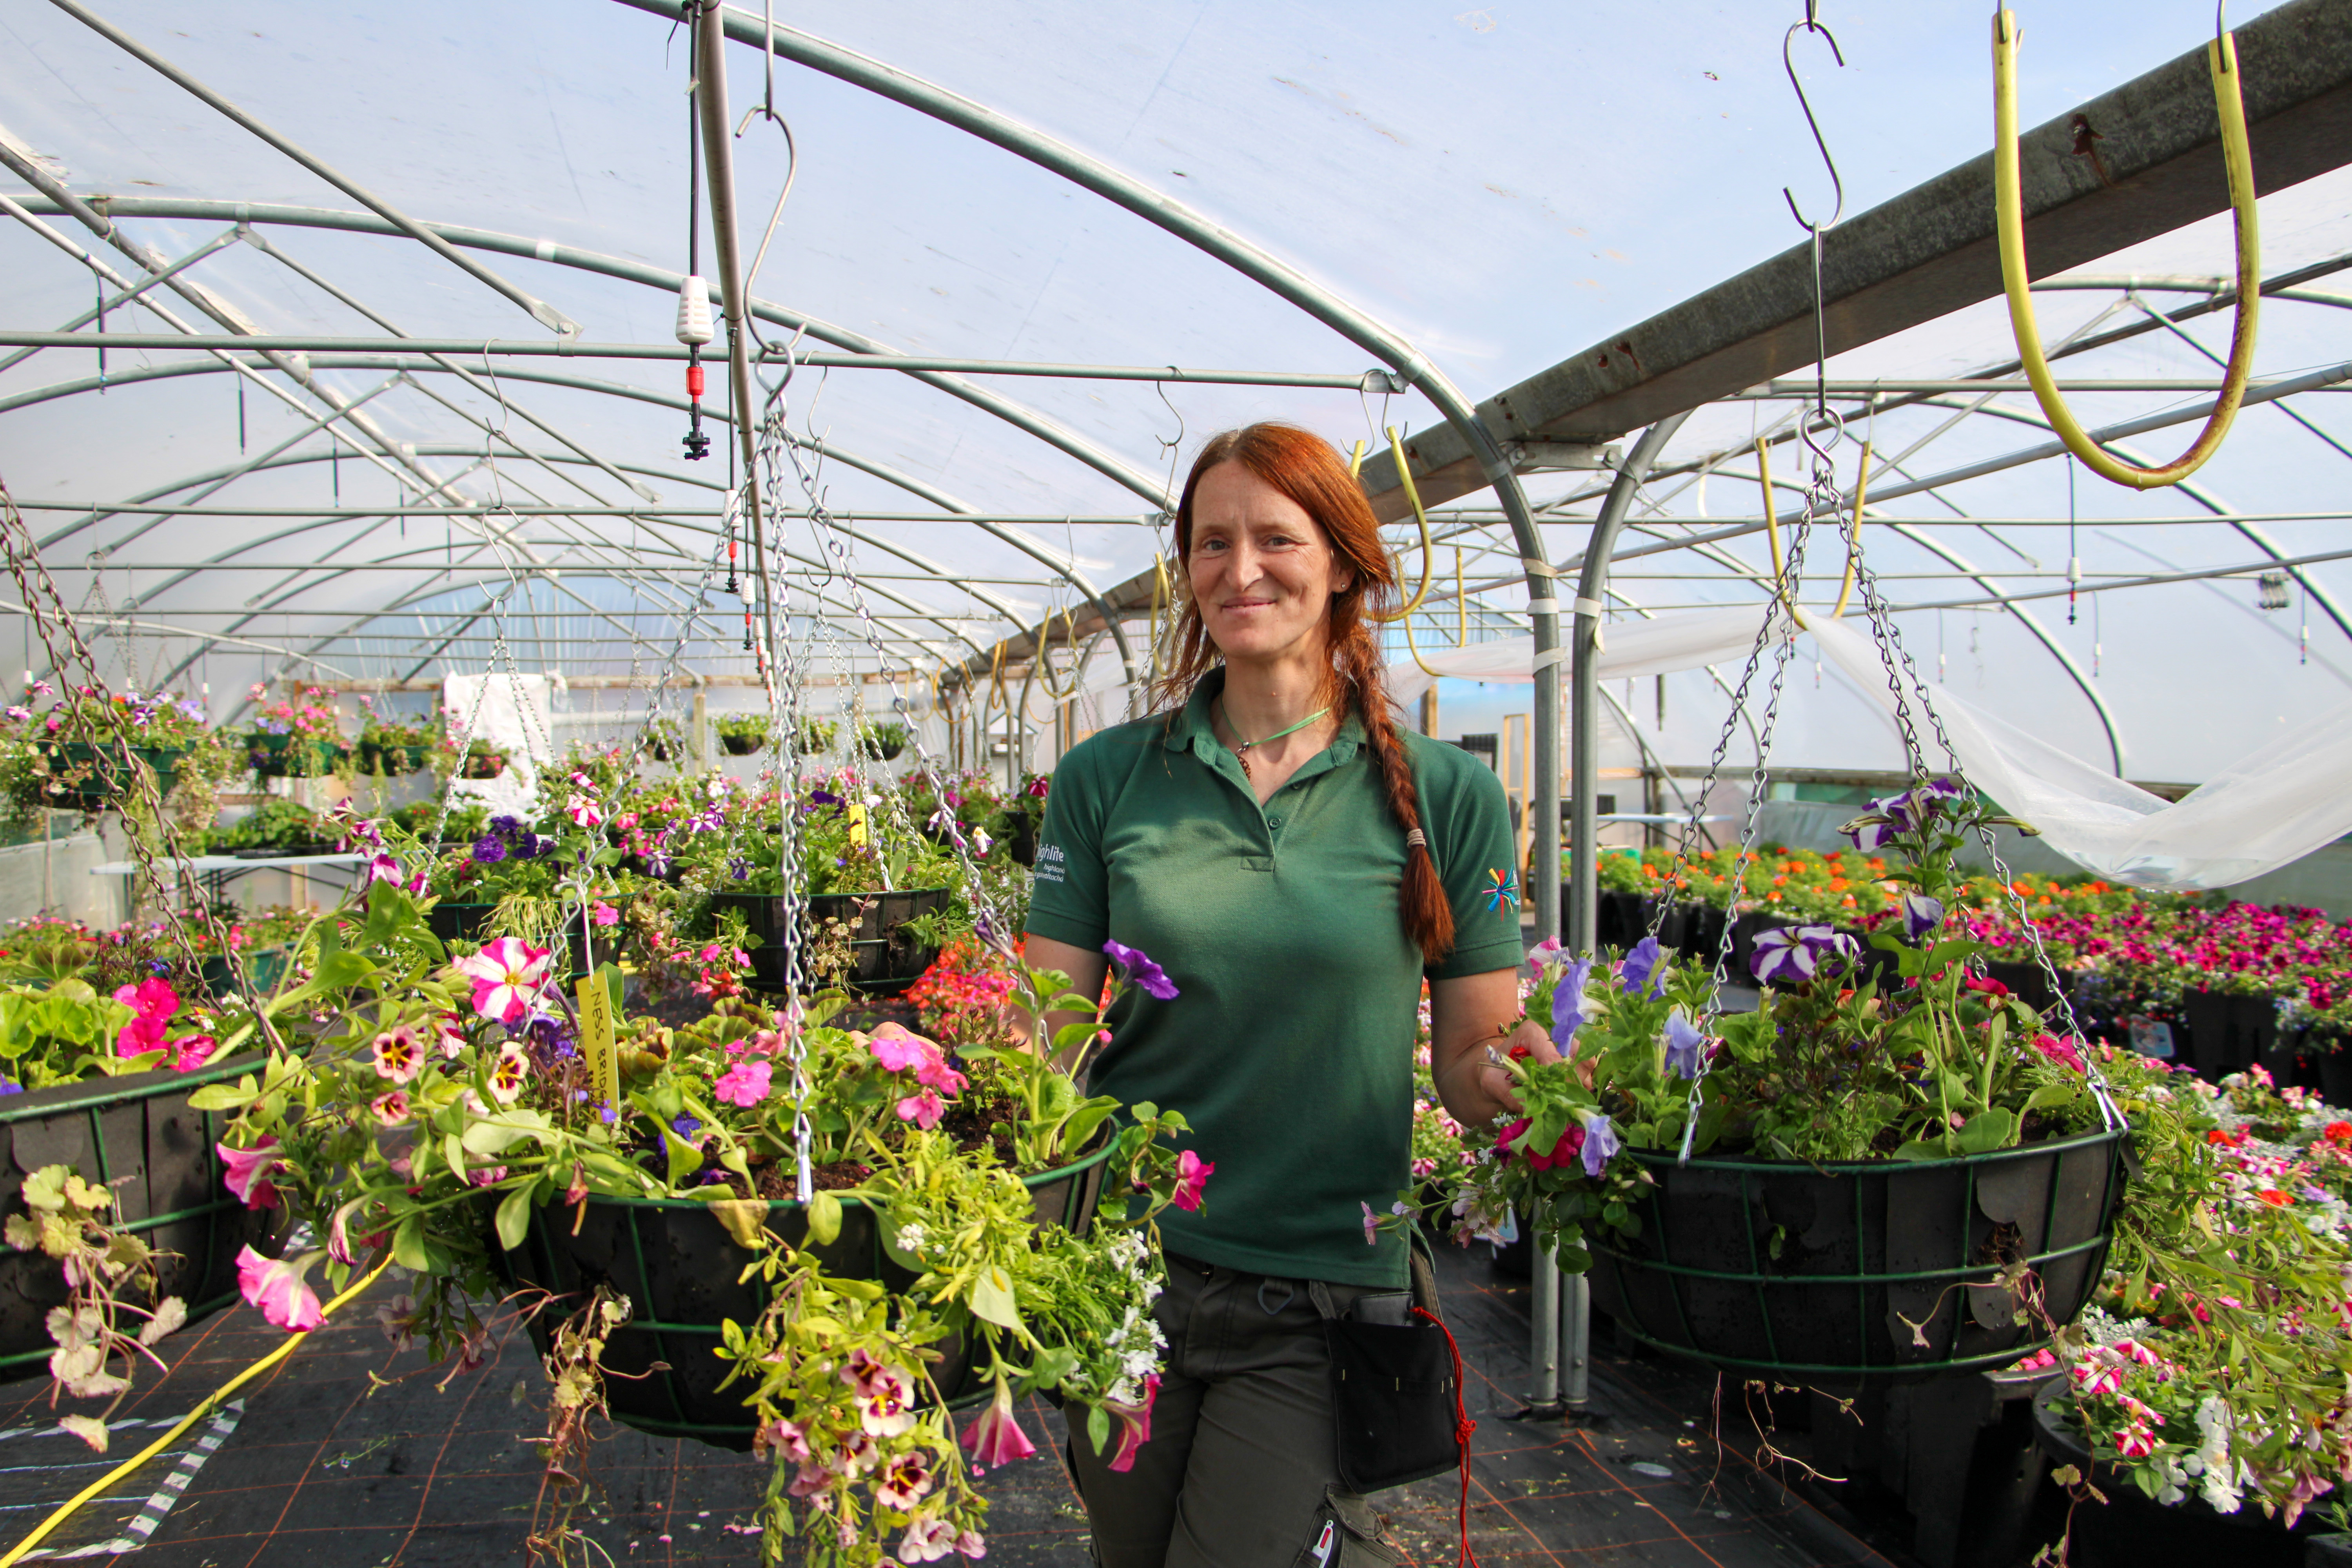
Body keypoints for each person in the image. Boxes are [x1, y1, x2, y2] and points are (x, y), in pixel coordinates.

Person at [1023, 423, 1560, 1567]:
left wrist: (1529, 1087)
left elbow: (1474, 1059)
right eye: (1211, 543)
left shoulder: (1446, 798)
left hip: (1316, 1287)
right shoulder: (1107, 780)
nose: (1240, 568)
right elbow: (1046, 1042)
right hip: (1120, 1270)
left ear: (1345, 566)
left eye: (1276, 537)